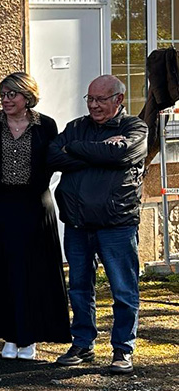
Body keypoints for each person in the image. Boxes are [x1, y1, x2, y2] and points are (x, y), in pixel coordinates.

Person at [47, 74, 148, 374]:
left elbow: (120, 154)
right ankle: (82, 343)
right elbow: (51, 156)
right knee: (79, 288)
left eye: (101, 99)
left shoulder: (135, 128)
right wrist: (97, 151)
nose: (93, 105)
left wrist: (76, 149)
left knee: (123, 290)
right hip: (78, 224)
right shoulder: (76, 127)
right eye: (90, 99)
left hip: (117, 225)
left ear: (119, 99)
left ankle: (122, 350)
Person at [0, 72, 70, 360]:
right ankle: (10, 336)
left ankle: (30, 336)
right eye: (3, 94)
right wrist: (3, 187)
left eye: (11, 94)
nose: (5, 99)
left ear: (27, 96)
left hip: (35, 206)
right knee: (3, 270)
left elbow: (51, 161)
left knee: (34, 271)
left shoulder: (46, 125)